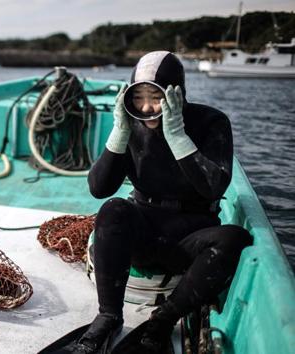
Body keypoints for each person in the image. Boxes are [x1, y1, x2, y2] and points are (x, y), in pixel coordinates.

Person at [42, 51, 253, 354]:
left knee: (235, 238)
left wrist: (177, 134)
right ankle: (108, 316)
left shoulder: (211, 122)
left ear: (175, 93)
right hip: (142, 235)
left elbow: (213, 187)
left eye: (154, 97)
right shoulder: (132, 127)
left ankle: (163, 320)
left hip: (190, 239)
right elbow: (99, 188)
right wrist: (119, 133)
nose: (146, 108)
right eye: (137, 98)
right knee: (112, 209)